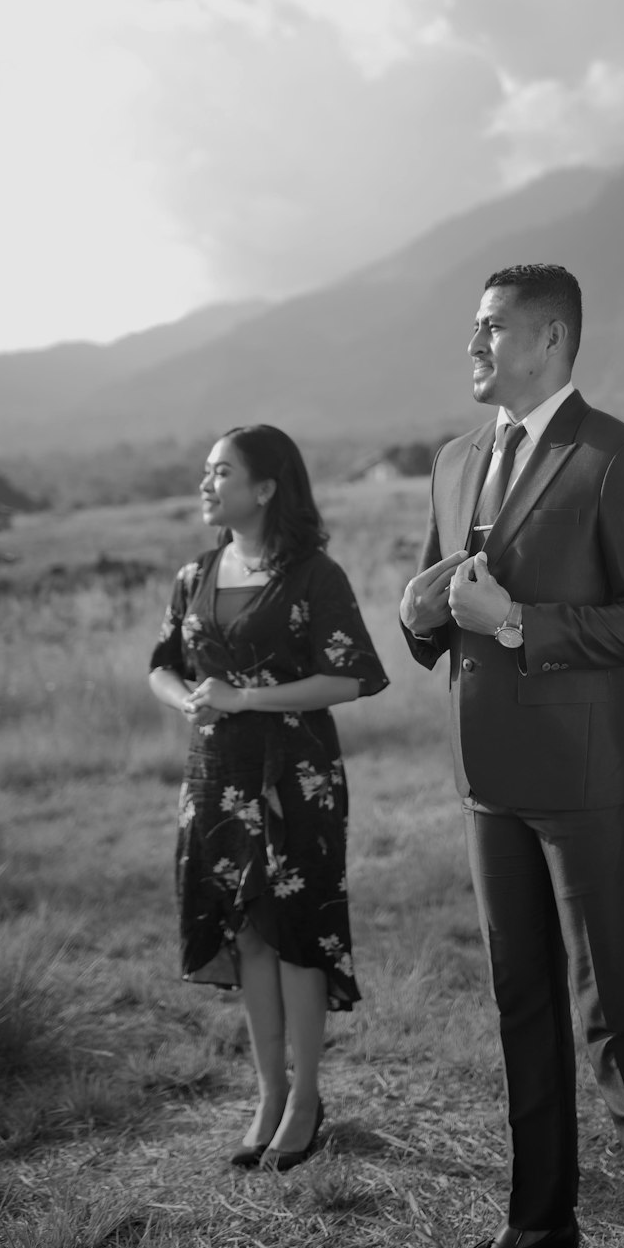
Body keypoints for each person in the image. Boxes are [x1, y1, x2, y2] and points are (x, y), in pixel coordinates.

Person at [399, 264, 624, 1248]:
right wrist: (418, 608)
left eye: (488, 326)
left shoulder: (620, 455)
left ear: (550, 335)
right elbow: (433, 604)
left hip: (588, 779)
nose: (471, 340)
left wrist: (523, 620)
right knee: (519, 999)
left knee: (614, 1012)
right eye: (472, 323)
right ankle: (540, 1227)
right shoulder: (449, 460)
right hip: (486, 775)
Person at [149, 423, 387, 1170]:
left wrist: (247, 697)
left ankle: (308, 1097)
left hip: (295, 778)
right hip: (215, 776)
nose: (207, 484)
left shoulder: (316, 575)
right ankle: (268, 1091)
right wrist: (187, 699)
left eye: (222, 471)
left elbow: (350, 676)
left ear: (266, 486)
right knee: (247, 933)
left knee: (295, 935)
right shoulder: (195, 574)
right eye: (206, 471)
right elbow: (161, 665)